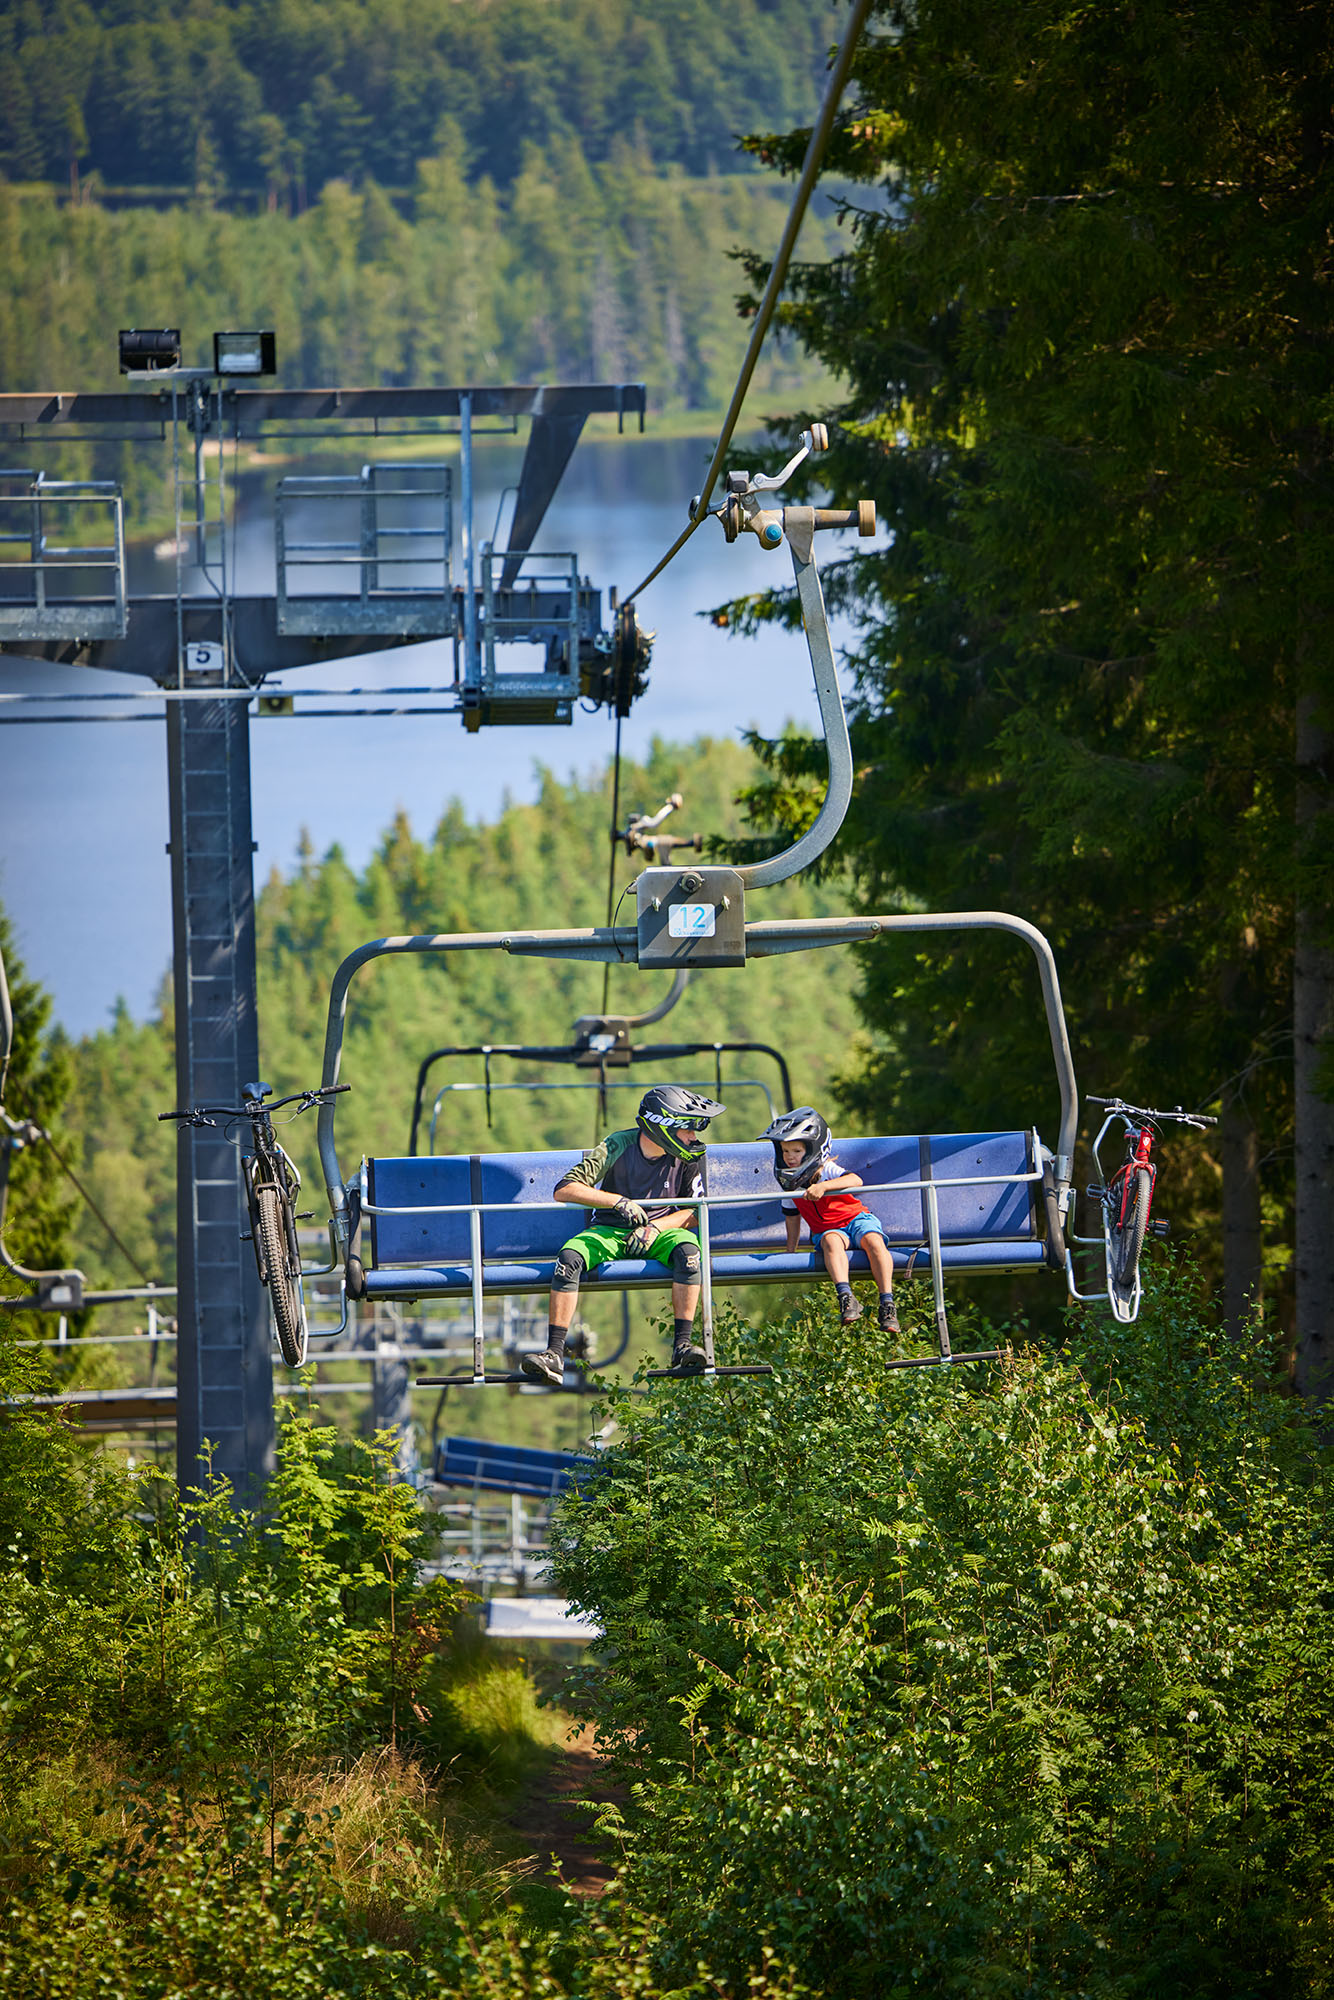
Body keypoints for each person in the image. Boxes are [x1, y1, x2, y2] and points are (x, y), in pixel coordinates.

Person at [521, 1085, 727, 1386]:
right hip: (609, 1231)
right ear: (663, 1126)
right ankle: (554, 1354)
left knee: (690, 1253)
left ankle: (683, 1346)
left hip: (659, 1233)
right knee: (569, 1258)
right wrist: (617, 1201)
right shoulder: (619, 1144)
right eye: (688, 1130)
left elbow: (695, 1211)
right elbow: (565, 1188)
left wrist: (655, 1227)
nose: (694, 1138)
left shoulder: (689, 1157)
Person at [759, 1107, 900, 1333]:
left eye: (796, 1150)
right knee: (830, 1244)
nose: (790, 1156)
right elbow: (792, 1219)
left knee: (874, 1242)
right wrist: (790, 1252)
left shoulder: (826, 1170)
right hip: (829, 1230)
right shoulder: (788, 1184)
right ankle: (846, 1297)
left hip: (856, 1220)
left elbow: (856, 1180)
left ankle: (887, 1302)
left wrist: (823, 1186)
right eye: (785, 1151)